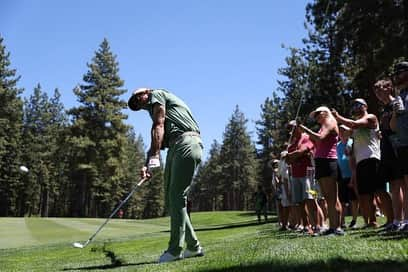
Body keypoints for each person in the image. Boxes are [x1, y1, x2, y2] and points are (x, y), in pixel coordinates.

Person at [128, 88, 204, 263]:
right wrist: (147, 164)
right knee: (172, 200)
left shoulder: (158, 94)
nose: (139, 103)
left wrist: (154, 155)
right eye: (136, 104)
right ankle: (193, 247)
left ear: (146, 92)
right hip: (174, 147)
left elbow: (159, 124)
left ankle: (175, 250)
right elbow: (158, 139)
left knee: (177, 196)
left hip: (186, 141)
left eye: (139, 98)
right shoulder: (153, 111)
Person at [332, 98, 393, 228]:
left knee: (380, 191)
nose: (355, 107)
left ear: (365, 106)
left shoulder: (370, 117)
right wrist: (349, 148)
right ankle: (371, 222)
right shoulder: (354, 127)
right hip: (360, 162)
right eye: (353, 104)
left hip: (373, 158)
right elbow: (350, 140)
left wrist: (337, 117)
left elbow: (354, 124)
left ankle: (392, 220)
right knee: (365, 195)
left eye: (358, 104)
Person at [298, 106, 344, 235]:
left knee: (332, 198)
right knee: (328, 197)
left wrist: (305, 130)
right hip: (322, 162)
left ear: (326, 112)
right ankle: (333, 227)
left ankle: (337, 228)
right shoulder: (323, 125)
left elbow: (320, 138)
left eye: (318, 113)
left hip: (329, 162)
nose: (317, 117)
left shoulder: (330, 122)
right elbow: (319, 141)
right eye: (315, 115)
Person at [374, 79, 407, 231]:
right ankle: (396, 220)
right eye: (376, 91)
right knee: (394, 184)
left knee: (401, 184)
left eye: (380, 90)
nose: (378, 94)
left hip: (397, 147)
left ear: (389, 88)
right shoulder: (384, 109)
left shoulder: (396, 103)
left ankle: (403, 220)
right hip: (386, 147)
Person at [285, 120, 322, 235]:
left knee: (311, 199)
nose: (290, 130)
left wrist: (293, 155)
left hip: (308, 174)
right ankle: (306, 225)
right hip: (295, 175)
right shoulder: (292, 143)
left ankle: (318, 225)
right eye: (288, 128)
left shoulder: (306, 137)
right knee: (300, 202)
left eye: (292, 127)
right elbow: (288, 160)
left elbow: (303, 151)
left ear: (299, 127)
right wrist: (294, 155)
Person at [390, 61, 408, 230]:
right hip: (402, 144)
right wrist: (395, 112)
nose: (397, 76)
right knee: (405, 183)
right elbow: (393, 127)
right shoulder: (400, 96)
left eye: (401, 72)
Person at [336, 125, 359, 229]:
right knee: (342, 201)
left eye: (344, 130)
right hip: (341, 176)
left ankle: (354, 221)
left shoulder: (352, 142)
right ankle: (342, 222)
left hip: (352, 175)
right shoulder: (337, 145)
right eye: (340, 130)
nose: (341, 132)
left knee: (354, 200)